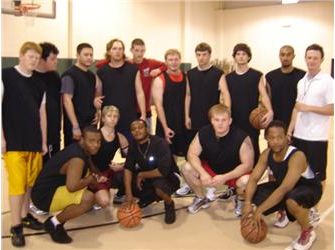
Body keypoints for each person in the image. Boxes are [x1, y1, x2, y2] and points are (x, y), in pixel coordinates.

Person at [243, 120, 322, 250]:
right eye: (272, 138)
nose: (276, 141)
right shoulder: (266, 154)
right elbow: (253, 179)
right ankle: (284, 211)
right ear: (266, 138)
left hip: (309, 189)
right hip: (284, 188)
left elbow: (284, 188)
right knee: (245, 190)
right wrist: (247, 203)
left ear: (287, 137)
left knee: (291, 200)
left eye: (280, 137)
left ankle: (307, 230)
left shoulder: (297, 156)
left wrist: (259, 210)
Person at [2, 41, 47, 247]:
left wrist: (44, 141)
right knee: (17, 186)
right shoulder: (6, 76)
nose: (34, 60)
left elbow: (41, 114)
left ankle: (25, 214)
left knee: (29, 183)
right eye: (30, 57)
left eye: (37, 58)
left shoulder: (39, 82)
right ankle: (15, 227)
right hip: (13, 142)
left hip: (34, 141)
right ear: (21, 56)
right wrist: (1, 138)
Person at [31, 126, 106, 244]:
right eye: (91, 141)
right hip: (44, 197)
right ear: (82, 139)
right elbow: (72, 187)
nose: (96, 145)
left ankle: (59, 220)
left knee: (87, 186)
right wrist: (90, 179)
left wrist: (97, 174)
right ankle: (53, 224)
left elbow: (89, 163)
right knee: (88, 198)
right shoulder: (77, 159)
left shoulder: (81, 149)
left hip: (48, 189)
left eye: (98, 141)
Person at [177, 42, 231, 196]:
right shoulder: (191, 74)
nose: (201, 58)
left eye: (204, 54)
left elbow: (225, 94)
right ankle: (189, 182)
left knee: (210, 153)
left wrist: (227, 114)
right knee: (192, 153)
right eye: (198, 55)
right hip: (194, 118)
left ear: (209, 55)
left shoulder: (218, 73)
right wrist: (186, 115)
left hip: (211, 121)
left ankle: (211, 183)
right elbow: (188, 95)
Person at [287, 44, 333, 225]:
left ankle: (314, 208)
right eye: (309, 57)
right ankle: (301, 204)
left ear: (321, 59)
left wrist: (309, 108)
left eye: (315, 58)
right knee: (300, 173)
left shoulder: (328, 81)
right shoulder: (302, 81)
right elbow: (297, 108)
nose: (311, 61)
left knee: (318, 176)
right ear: (305, 58)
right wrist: (291, 129)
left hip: (316, 138)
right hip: (299, 135)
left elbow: (332, 109)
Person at [181, 104, 254, 216]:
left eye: (224, 120)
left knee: (246, 181)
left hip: (234, 173)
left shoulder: (242, 137)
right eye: (217, 120)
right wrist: (203, 173)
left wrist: (225, 177)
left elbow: (247, 165)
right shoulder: (204, 132)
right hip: (212, 169)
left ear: (230, 121)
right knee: (186, 168)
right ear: (211, 121)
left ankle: (240, 200)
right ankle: (201, 198)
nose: (220, 123)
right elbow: (191, 154)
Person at [124, 119, 180, 224]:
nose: (137, 131)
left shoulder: (160, 143)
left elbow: (163, 171)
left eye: (140, 128)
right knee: (120, 178)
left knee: (159, 186)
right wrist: (128, 193)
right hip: (149, 177)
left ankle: (169, 204)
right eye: (133, 129)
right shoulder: (133, 146)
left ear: (147, 129)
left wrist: (141, 174)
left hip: (168, 176)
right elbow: (128, 168)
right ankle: (148, 197)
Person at [226, 43, 273, 162]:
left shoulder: (256, 75)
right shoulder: (228, 77)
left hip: (251, 119)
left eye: (244, 54)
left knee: (252, 148)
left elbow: (263, 95)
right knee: (235, 148)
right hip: (234, 118)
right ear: (234, 57)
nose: (241, 56)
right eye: (238, 54)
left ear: (248, 57)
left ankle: (254, 175)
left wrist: (270, 110)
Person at [30, 42, 62, 216]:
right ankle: (35, 199)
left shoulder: (55, 77)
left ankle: (48, 195)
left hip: (54, 131)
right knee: (39, 167)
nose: (56, 62)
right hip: (38, 133)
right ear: (42, 59)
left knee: (52, 164)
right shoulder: (32, 77)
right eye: (53, 58)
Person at [95, 39, 146, 141]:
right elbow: (98, 96)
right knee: (105, 153)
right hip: (109, 119)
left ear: (123, 51)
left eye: (120, 49)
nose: (117, 51)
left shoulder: (133, 69)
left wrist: (143, 114)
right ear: (109, 51)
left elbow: (140, 93)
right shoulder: (101, 71)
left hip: (129, 118)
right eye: (114, 49)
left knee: (131, 152)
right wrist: (97, 111)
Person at [91, 106, 129, 207]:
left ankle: (120, 193)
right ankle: (90, 194)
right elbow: (86, 159)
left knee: (128, 170)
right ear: (103, 118)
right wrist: (95, 174)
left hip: (109, 172)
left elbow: (131, 158)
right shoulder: (95, 135)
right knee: (104, 202)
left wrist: (121, 166)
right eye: (109, 116)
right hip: (95, 173)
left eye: (115, 116)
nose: (112, 118)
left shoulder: (120, 137)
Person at [61, 43, 98, 146]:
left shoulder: (91, 76)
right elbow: (67, 101)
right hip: (75, 127)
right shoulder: (69, 75)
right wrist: (75, 126)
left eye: (91, 55)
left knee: (88, 158)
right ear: (77, 55)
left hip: (90, 125)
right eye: (86, 55)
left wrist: (96, 112)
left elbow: (89, 98)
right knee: (75, 158)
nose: (89, 57)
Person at [152, 49, 187, 156]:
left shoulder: (187, 77)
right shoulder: (160, 79)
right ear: (166, 62)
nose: (174, 62)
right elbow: (158, 106)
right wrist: (165, 127)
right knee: (166, 156)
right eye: (170, 60)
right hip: (166, 123)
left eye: (176, 59)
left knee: (183, 154)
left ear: (180, 61)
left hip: (182, 123)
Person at [129, 38, 167, 132]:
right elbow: (99, 64)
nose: (140, 53)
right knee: (131, 140)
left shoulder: (150, 63)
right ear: (131, 50)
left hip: (146, 109)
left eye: (142, 50)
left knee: (147, 137)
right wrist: (123, 58)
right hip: (130, 109)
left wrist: (158, 70)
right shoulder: (127, 64)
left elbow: (166, 65)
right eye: (137, 50)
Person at [266, 45, 305, 126]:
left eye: (288, 54)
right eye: (282, 55)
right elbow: (267, 98)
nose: (285, 57)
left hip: (296, 121)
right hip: (275, 121)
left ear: (293, 56)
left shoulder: (303, 76)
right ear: (279, 56)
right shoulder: (270, 76)